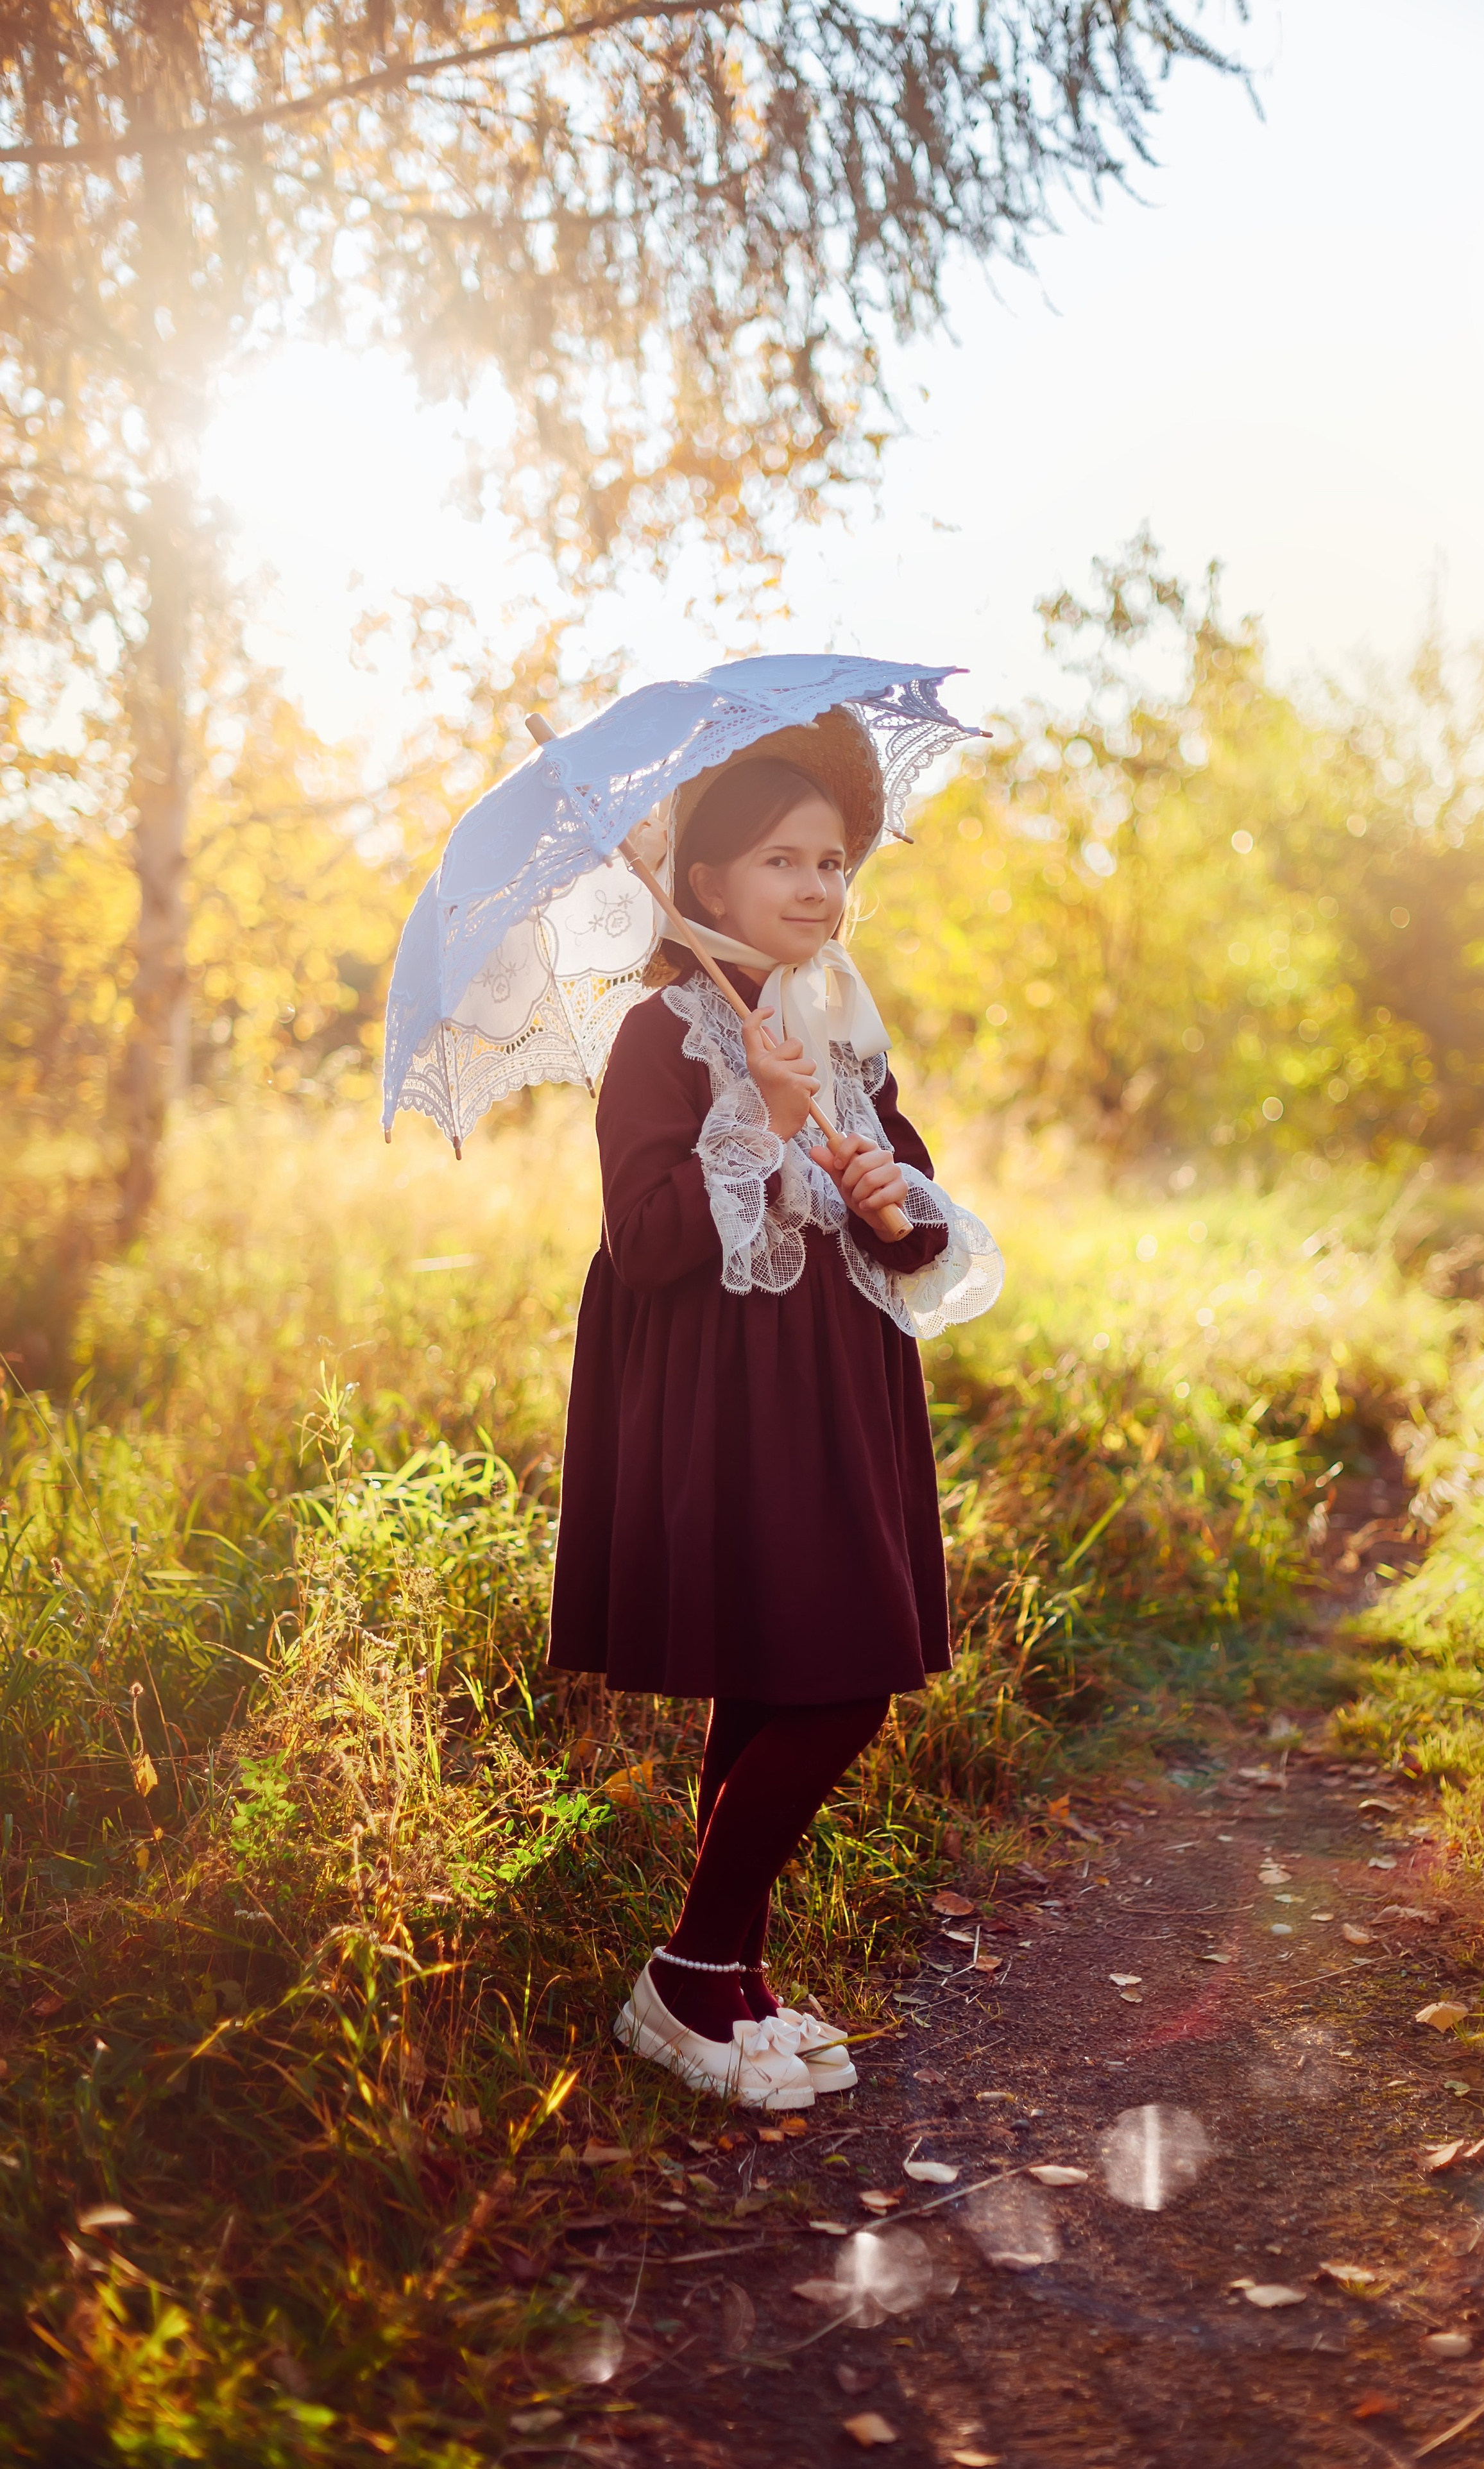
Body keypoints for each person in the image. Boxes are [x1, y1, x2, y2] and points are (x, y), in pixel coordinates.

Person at [548, 705, 1002, 2108]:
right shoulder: (662, 1034)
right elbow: (646, 1238)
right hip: (727, 1401)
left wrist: (885, 1195)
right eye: (782, 862)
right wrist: (750, 1114)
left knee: (777, 1679)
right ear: (703, 888)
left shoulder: (831, 1026)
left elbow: (912, 1230)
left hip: (835, 1392)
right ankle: (686, 1973)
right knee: (834, 1680)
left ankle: (726, 1978)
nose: (819, 887)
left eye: (831, 861)